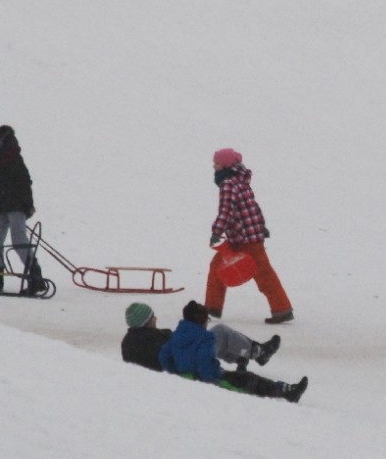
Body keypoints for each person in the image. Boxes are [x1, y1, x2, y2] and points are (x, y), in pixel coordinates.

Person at [204, 148, 294, 324]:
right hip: (246, 236)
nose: (214, 166)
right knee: (220, 268)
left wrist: (216, 232)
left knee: (263, 274)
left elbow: (226, 210)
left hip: (245, 240)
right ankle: (212, 307)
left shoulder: (228, 184)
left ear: (226, 165)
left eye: (217, 163)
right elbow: (253, 207)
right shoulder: (241, 181)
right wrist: (261, 226)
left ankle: (282, 309)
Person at [158, 300, 308, 403]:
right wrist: (220, 384)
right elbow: (205, 366)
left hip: (191, 374)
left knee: (221, 335)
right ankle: (285, 391)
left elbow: (164, 356)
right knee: (247, 379)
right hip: (205, 377)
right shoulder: (205, 339)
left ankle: (249, 356)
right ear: (201, 321)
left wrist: (176, 375)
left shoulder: (177, 335)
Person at [0, 124, 45, 295]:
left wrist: (28, 204)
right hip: (2, 203)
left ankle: (36, 277)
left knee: (18, 239)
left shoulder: (12, 157)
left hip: (18, 203)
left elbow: (25, 181)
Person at [121, 302, 281, 372]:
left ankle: (244, 356)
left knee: (212, 338)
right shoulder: (149, 339)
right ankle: (257, 353)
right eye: (152, 317)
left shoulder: (133, 340)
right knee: (220, 332)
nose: (155, 318)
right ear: (145, 321)